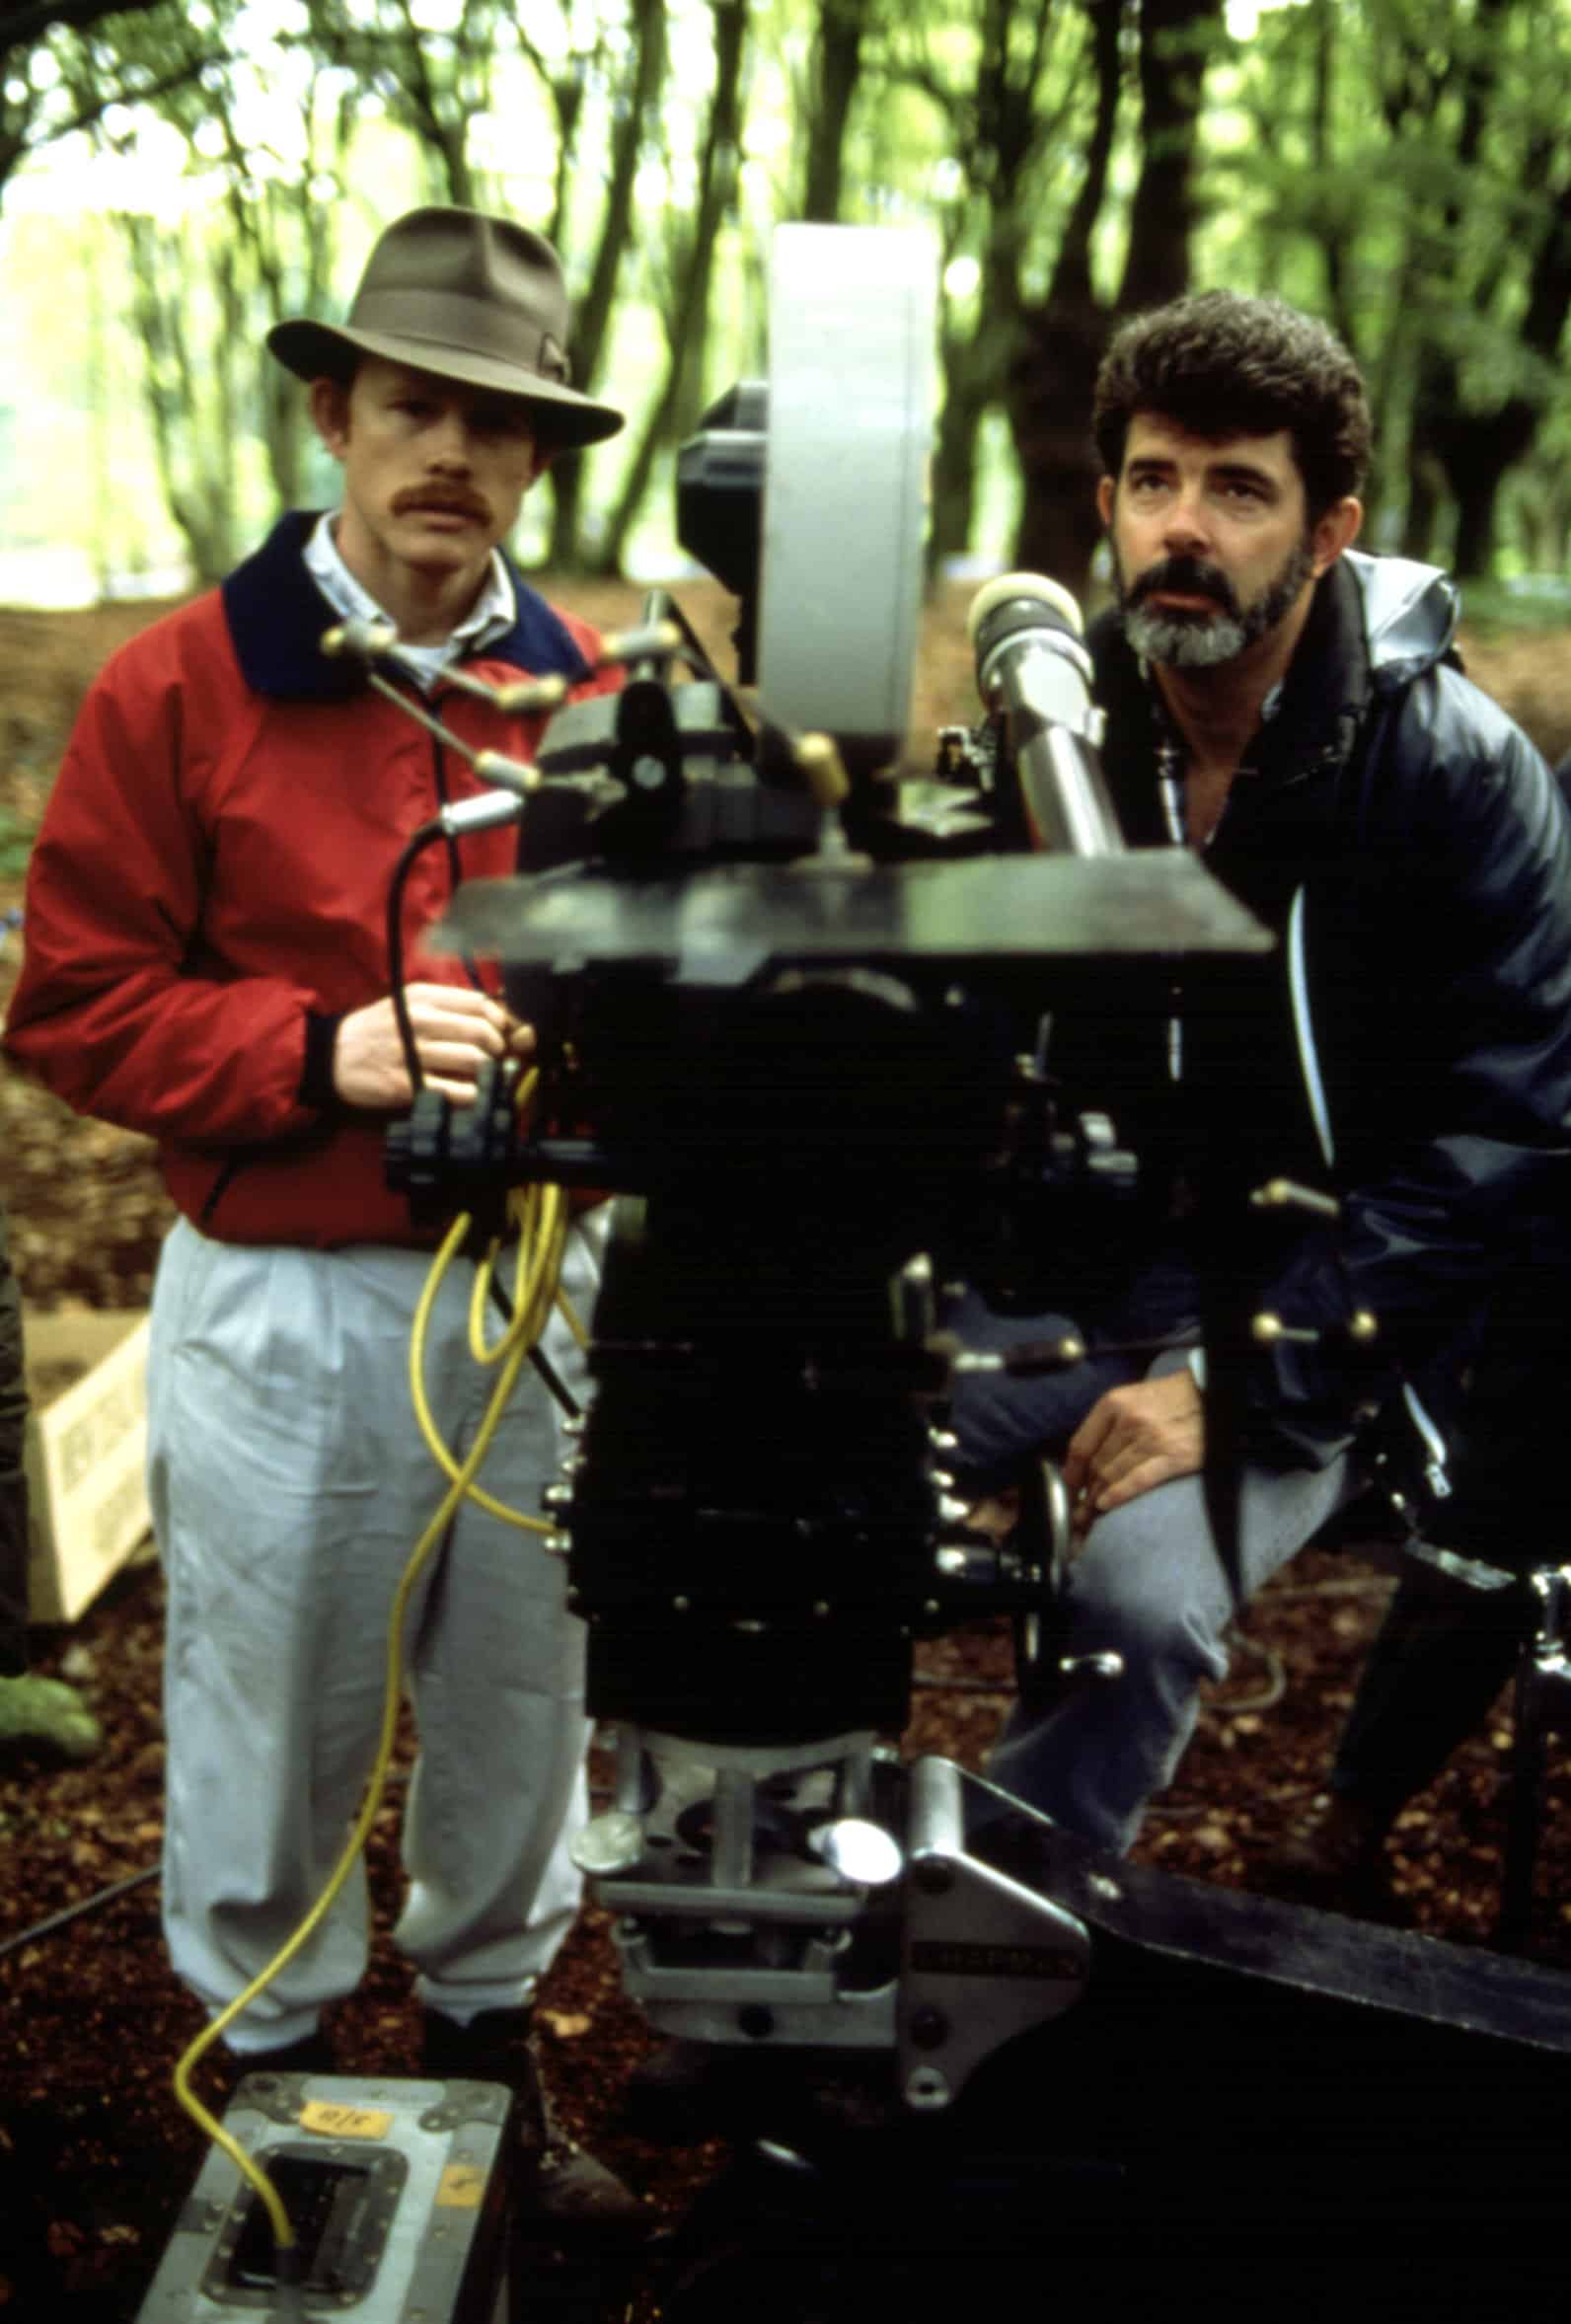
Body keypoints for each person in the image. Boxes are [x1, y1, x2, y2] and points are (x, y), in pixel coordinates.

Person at [4, 206, 639, 2221]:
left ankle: (485, 2058)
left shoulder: (596, 698)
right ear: (332, 413)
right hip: (282, 1291)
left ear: (540, 461)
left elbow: (666, 981)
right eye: (410, 404)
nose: (449, 454)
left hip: (531, 1290)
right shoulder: (181, 682)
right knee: (266, 1703)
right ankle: (260, 2100)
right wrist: (313, 1052)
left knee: (523, 1699)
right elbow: (73, 1000)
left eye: (495, 424)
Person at [950, 289, 1571, 1856]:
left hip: (1322, 1311)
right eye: (1155, 481)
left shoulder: (1450, 773)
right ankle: (769, 1933)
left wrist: (1239, 1383)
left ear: (1327, 525)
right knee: (774, 1489)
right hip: (1053, 1280)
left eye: (1239, 491)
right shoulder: (1051, 734)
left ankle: (984, 1960)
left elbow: (1502, 1142)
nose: (1185, 528)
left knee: (1134, 1609)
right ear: (1104, 504)